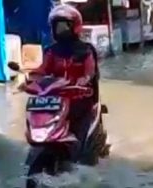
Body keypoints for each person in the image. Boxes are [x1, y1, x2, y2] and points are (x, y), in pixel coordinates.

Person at [27, 4, 100, 149]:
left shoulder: (86, 50)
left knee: (80, 138)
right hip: (56, 99)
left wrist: (83, 81)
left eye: (64, 26)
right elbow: (42, 70)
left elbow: (89, 71)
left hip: (80, 98)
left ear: (75, 27)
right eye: (57, 26)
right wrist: (32, 77)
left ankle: (81, 151)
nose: (61, 30)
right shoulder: (51, 51)